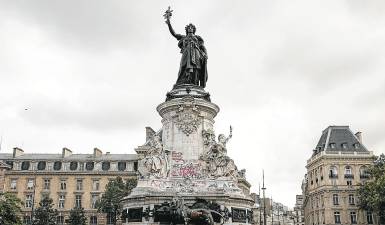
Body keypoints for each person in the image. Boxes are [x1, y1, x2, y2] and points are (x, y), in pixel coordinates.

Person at [165, 16, 208, 88]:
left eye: (191, 27)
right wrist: (169, 23)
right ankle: (182, 82)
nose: (190, 28)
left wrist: (205, 54)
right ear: (186, 29)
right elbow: (174, 34)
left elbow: (203, 47)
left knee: (196, 68)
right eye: (188, 27)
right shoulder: (183, 37)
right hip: (186, 53)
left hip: (196, 53)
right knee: (183, 66)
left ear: (194, 29)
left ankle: (195, 83)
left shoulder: (198, 38)